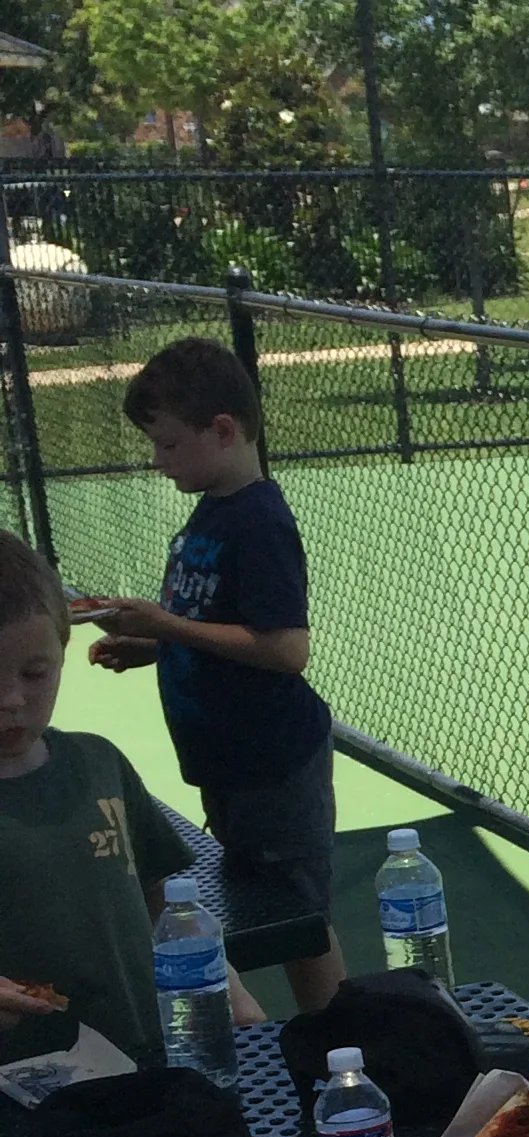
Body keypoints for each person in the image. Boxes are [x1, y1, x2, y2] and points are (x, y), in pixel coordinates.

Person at [83, 337, 343, 1014]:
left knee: (299, 920)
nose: (158, 461)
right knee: (256, 900)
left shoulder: (259, 521)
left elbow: (284, 649)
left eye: (169, 445)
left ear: (222, 431)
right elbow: (219, 625)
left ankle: (337, 1036)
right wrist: (153, 647)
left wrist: (167, 627)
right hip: (227, 764)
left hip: (275, 763)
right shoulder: (212, 511)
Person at [0, 529, 192, 1071]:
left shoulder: (99, 764)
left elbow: (165, 898)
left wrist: (225, 986)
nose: (11, 699)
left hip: (140, 1062)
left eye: (34, 673)